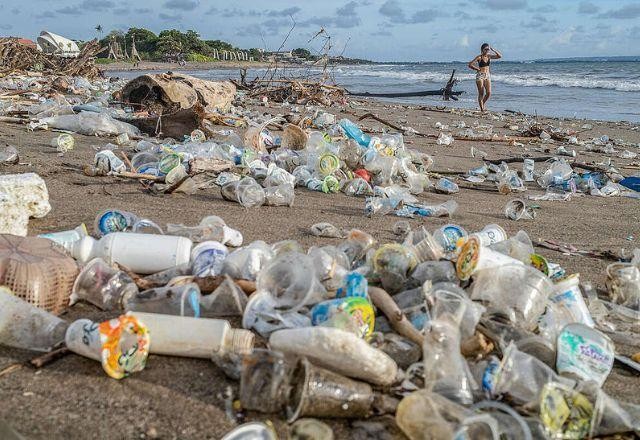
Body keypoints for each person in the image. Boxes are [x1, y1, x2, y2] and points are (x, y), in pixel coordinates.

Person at [468, 43, 502, 112]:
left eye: (488, 49)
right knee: (481, 93)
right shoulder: (479, 57)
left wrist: (494, 50)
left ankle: (482, 104)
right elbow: (470, 64)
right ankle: (482, 109)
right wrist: (477, 69)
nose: (487, 51)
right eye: (486, 49)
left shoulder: (489, 56)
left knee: (489, 93)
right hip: (480, 75)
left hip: (487, 75)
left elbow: (499, 56)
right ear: (482, 50)